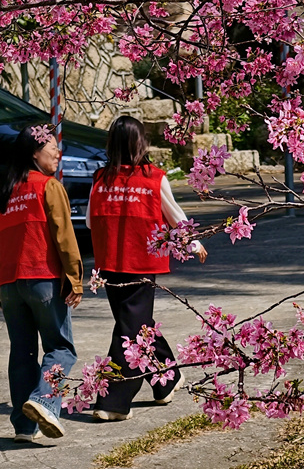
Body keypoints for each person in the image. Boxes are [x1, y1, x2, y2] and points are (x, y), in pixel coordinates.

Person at [86, 115, 207, 421]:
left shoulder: (101, 179)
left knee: (129, 330)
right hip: (130, 264)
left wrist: (191, 243)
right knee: (138, 327)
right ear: (141, 143)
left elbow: (89, 221)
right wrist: (192, 243)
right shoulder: (153, 178)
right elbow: (176, 217)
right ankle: (166, 379)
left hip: (118, 265)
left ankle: (114, 400)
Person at [0, 123, 84, 442]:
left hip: (10, 285)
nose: (58, 152)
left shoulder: (2, 193)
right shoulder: (48, 186)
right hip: (42, 279)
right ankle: (45, 400)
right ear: (34, 153)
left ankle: (23, 428)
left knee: (22, 353)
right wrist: (74, 278)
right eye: (52, 147)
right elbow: (64, 237)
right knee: (61, 348)